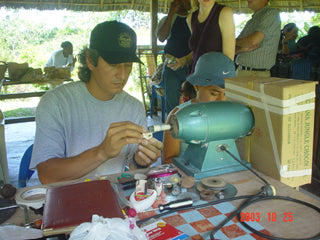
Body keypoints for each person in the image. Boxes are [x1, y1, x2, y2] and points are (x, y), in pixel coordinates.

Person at [30, 21, 163, 184]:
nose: (122, 75)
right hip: (69, 200)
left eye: (128, 65)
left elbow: (128, 172)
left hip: (116, 197)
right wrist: (102, 152)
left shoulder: (134, 107)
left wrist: (140, 161)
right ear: (90, 60)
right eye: (113, 64)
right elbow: (47, 176)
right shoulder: (56, 103)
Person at [162, 51, 235, 164]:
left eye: (226, 94)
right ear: (197, 86)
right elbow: (167, 161)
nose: (221, 100)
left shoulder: (232, 116)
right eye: (214, 94)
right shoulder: (178, 117)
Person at [168, 0, 235, 73]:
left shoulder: (225, 13)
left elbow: (228, 60)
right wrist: (182, 61)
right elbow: (198, 51)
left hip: (214, 78)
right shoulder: (190, 18)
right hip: (195, 76)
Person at [157, 0, 192, 114]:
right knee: (172, 104)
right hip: (171, 67)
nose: (182, 3)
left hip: (191, 67)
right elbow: (161, 37)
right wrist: (171, 13)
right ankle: (172, 129)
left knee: (191, 102)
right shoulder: (169, 19)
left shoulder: (195, 18)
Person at [235, 0, 281, 77]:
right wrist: (240, 49)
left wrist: (233, 41)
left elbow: (252, 41)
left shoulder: (271, 14)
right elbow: (234, 48)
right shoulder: (252, 21)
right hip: (242, 71)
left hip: (257, 73)